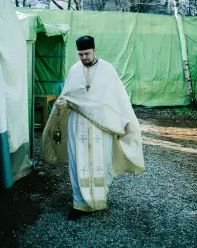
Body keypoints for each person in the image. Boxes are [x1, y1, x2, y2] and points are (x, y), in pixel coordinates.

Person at [42, 35, 145, 221]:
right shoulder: (74, 69)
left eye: (87, 53)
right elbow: (69, 94)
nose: (83, 58)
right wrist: (63, 102)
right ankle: (78, 203)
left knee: (100, 162)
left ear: (95, 50)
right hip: (78, 125)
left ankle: (98, 199)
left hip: (101, 126)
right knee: (77, 163)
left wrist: (123, 121)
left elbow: (118, 99)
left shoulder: (107, 70)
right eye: (80, 54)